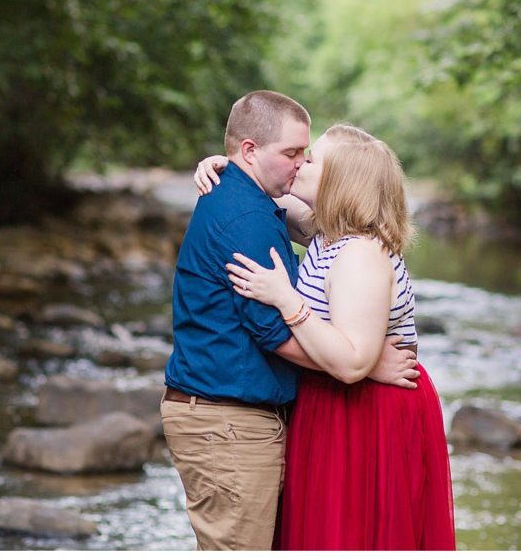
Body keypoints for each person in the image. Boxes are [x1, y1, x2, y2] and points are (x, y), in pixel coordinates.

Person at [162, 93, 420, 551]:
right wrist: (364, 363)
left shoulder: (316, 224)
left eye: (308, 156)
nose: (300, 165)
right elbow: (273, 333)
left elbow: (316, 338)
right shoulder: (250, 215)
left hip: (335, 412)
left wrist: (357, 360)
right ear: (249, 151)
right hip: (235, 420)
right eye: (292, 153)